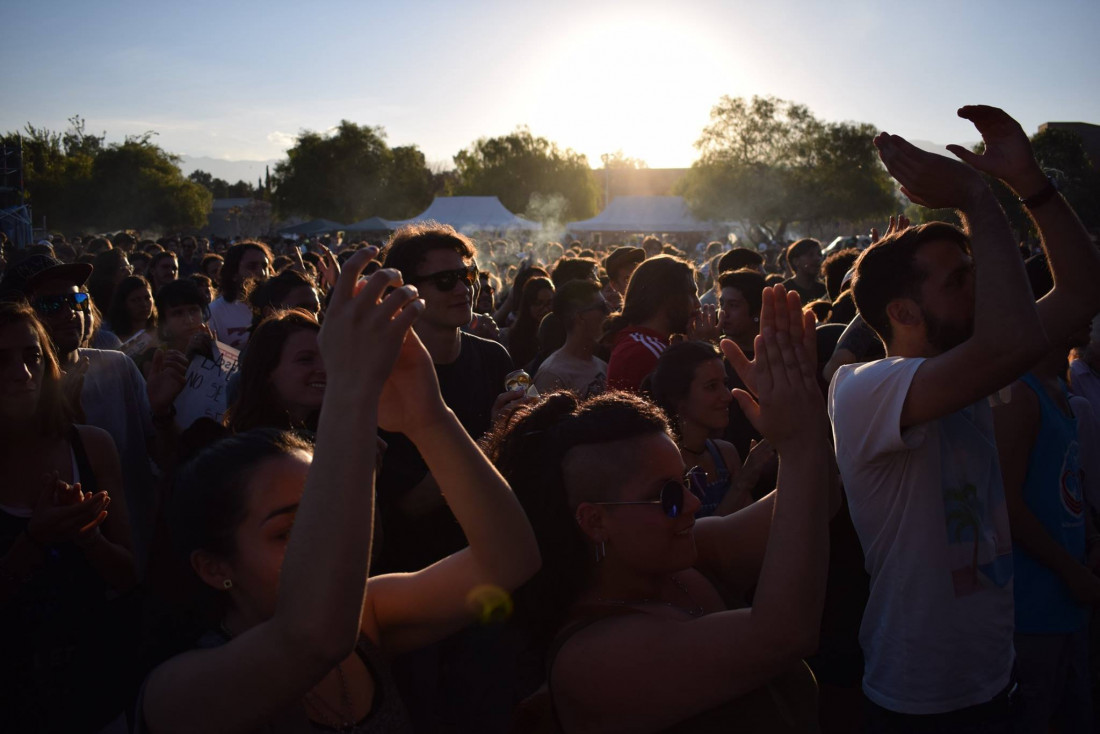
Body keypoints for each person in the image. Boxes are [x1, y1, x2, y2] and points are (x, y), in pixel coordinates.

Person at [140, 246, 541, 734]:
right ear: (214, 567)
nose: (323, 537)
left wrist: (428, 415)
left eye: (326, 512)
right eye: (288, 531)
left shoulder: (364, 615)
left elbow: (511, 560)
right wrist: (350, 393)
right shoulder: (177, 690)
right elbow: (313, 640)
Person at [829, 105, 1100, 730]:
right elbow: (1008, 343)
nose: (980, 291)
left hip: (993, 678)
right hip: (917, 703)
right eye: (959, 282)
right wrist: (976, 199)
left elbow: (1085, 292)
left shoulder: (970, 368)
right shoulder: (866, 389)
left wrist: (1030, 186)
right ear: (903, 311)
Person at [491, 284, 833, 732]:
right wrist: (800, 443)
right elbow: (784, 634)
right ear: (595, 520)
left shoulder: (681, 560)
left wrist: (805, 403)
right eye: (667, 496)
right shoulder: (592, 659)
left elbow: (817, 502)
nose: (693, 502)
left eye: (685, 484)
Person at [378, 223, 520, 731]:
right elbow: (410, 505)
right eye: (444, 281)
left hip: (494, 572)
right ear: (406, 296)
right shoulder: (387, 377)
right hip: (420, 584)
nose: (462, 288)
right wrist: (493, 438)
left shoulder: (492, 357)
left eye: (468, 276)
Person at [0, 254, 187, 573]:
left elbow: (169, 462)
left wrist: (162, 413)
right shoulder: (15, 395)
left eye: (76, 298)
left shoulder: (118, 367)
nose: (69, 311)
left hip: (139, 564)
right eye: (50, 304)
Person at [0, 301, 139, 732]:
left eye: (32, 356)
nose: (22, 374)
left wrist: (89, 539)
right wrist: (33, 541)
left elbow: (130, 577)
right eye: (0, 361)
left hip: (93, 680)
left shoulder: (91, 448)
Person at [992, 258, 1096, 733]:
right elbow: (1007, 506)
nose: (1089, 313)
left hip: (1070, 604)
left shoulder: (1059, 385)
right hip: (1033, 614)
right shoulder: (1019, 394)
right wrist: (1069, 569)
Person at [648, 340, 774, 517]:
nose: (727, 396)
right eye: (712, 387)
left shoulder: (725, 454)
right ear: (679, 399)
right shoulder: (664, 463)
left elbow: (748, 525)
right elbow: (695, 538)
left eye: (725, 383)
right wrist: (745, 479)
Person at [604, 255, 700, 393]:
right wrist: (704, 346)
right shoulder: (647, 352)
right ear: (666, 298)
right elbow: (692, 404)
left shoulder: (644, 343)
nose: (698, 304)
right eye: (691, 294)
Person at [225, 309, 324, 434]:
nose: (323, 368)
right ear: (267, 370)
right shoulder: (248, 448)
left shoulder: (340, 434)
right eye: (305, 359)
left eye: (327, 357)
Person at [533, 280, 608, 398]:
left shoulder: (602, 366)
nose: (609, 313)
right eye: (602, 307)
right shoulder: (553, 374)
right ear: (580, 317)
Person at [209, 241, 272, 350]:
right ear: (233, 273)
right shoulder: (214, 312)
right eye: (252, 266)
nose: (262, 272)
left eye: (265, 266)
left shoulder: (277, 307)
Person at [502, 276, 554, 370]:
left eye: (549, 303)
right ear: (528, 304)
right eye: (538, 303)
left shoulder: (561, 331)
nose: (546, 309)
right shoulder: (517, 336)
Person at [106, 275, 157, 344]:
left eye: (147, 298)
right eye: (136, 300)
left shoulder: (161, 334)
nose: (144, 304)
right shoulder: (109, 339)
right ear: (123, 303)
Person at [781, 239, 826, 304]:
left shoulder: (823, 289)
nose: (818, 258)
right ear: (796, 261)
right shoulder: (784, 290)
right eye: (810, 255)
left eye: (819, 254)